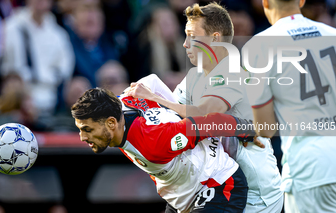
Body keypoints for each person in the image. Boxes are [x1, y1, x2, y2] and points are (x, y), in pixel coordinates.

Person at [127, 2, 283, 212]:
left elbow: (203, 114)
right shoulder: (193, 77)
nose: (185, 44)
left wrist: (153, 97)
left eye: (192, 36)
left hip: (256, 194)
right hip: (216, 183)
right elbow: (174, 118)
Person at [242, 0, 336, 213]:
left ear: (264, 0)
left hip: (309, 168)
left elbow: (265, 128)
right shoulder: (332, 35)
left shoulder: (259, 46)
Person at [72, 87, 257, 213]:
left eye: (87, 129)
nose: (82, 137)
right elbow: (149, 83)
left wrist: (247, 129)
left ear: (111, 123)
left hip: (216, 184)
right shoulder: (123, 101)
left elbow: (208, 123)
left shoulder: (154, 143)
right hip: (181, 195)